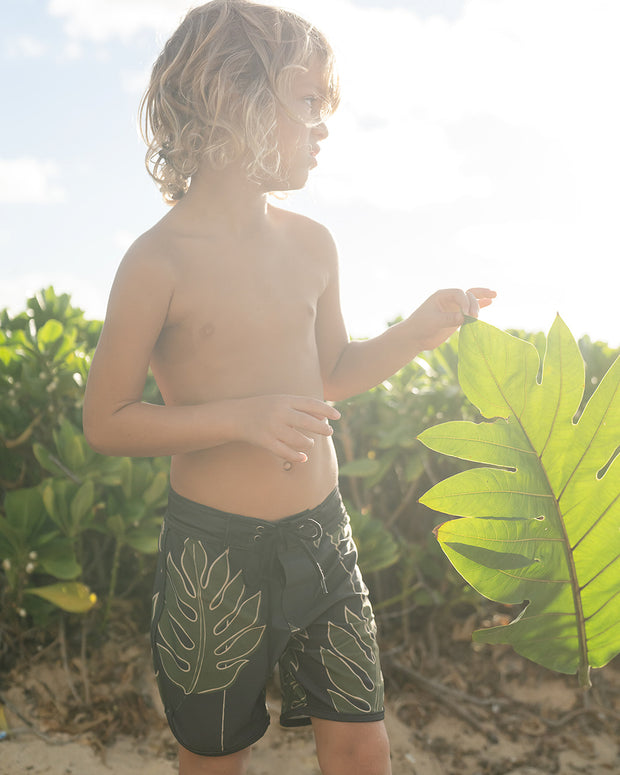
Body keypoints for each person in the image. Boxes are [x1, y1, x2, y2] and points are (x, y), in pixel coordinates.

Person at [83, 1, 495, 773]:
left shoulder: (314, 246)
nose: (324, 125)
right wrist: (240, 418)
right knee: (215, 752)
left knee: (361, 742)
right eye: (306, 102)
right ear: (231, 97)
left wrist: (416, 331)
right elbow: (105, 420)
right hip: (213, 553)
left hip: (322, 538)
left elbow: (332, 372)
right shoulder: (157, 261)